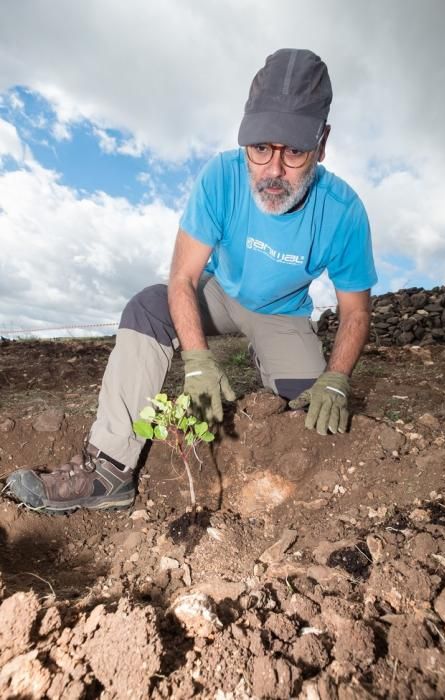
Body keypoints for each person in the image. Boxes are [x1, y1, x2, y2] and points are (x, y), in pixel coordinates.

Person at [6, 49, 377, 514]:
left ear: (321, 145)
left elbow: (356, 311)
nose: (274, 171)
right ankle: (109, 472)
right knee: (147, 305)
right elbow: (182, 277)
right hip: (219, 294)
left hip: (281, 313)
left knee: (310, 402)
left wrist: (338, 379)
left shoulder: (344, 212)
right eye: (260, 148)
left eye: (295, 152)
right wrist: (198, 360)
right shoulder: (221, 177)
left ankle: (275, 363)